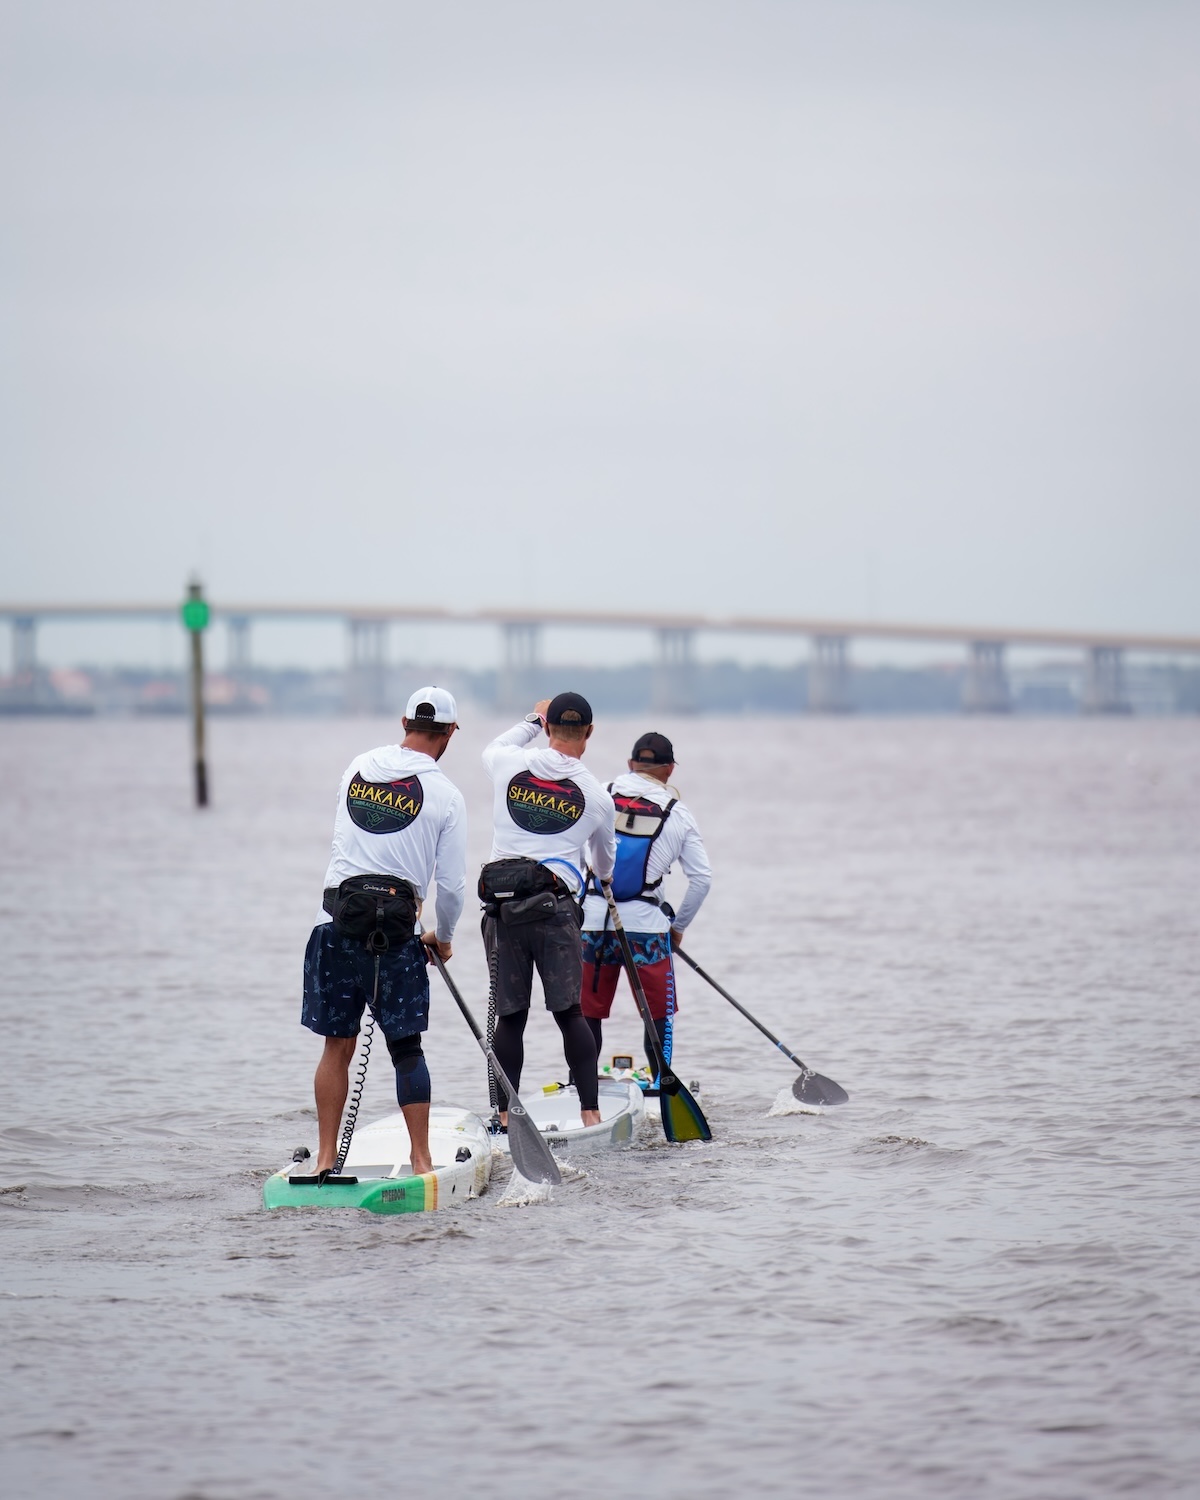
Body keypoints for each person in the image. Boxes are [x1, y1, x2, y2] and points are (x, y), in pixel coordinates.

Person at [301, 687, 467, 1177]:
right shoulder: (447, 795)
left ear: (403, 723)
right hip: (396, 937)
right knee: (407, 1048)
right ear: (450, 733)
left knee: (336, 1046)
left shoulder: (357, 767)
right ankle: (421, 1161)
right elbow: (453, 886)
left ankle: (326, 1159)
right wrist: (445, 935)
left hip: (332, 925)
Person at [481, 692, 616, 1129]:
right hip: (556, 914)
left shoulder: (507, 763)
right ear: (589, 734)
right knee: (569, 1013)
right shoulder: (597, 796)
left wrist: (532, 719)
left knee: (510, 1017)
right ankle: (591, 1115)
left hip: (503, 914)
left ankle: (504, 1116)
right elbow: (605, 865)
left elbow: (494, 746)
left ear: (548, 727)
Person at [580, 731, 712, 1071]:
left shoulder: (598, 794)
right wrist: (678, 928)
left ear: (629, 765)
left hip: (593, 922)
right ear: (669, 771)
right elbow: (701, 880)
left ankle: (583, 1089)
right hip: (647, 932)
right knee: (657, 1014)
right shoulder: (677, 813)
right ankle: (662, 1083)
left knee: (587, 1012)